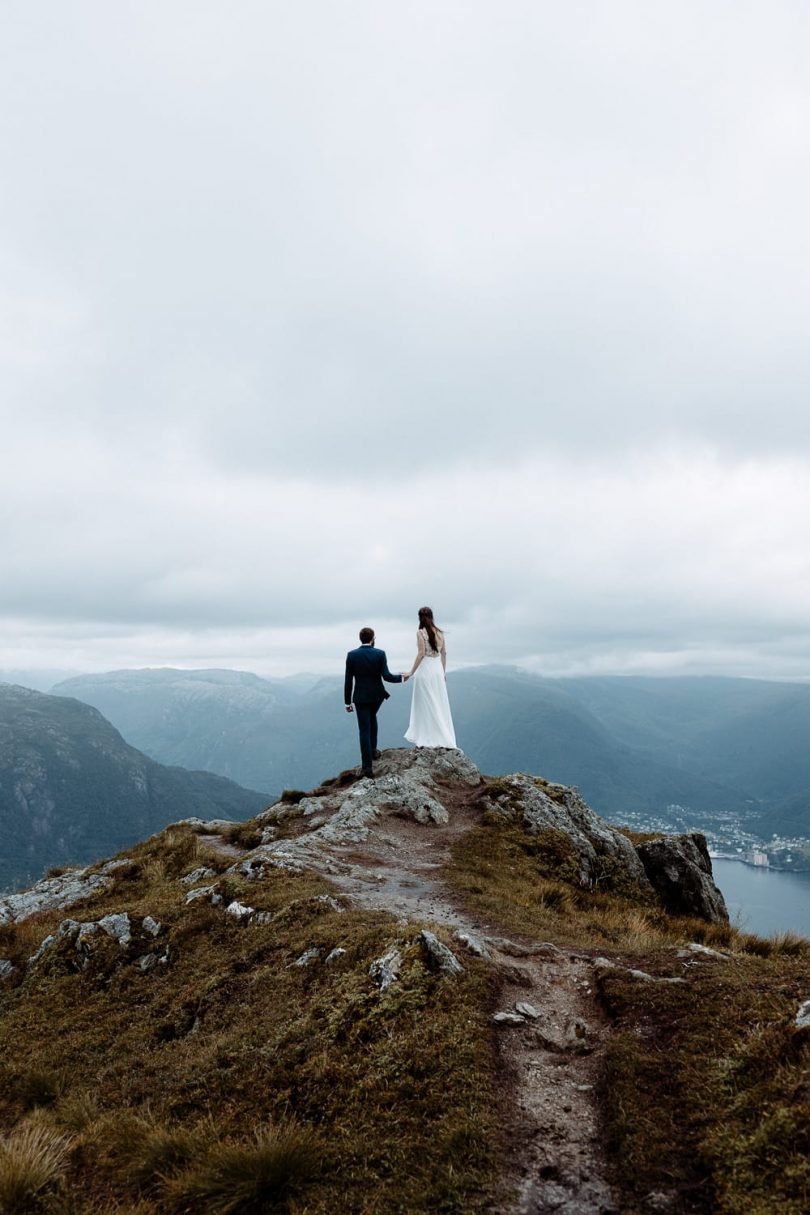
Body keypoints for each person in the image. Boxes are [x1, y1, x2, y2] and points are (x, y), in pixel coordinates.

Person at [344, 627, 409, 778]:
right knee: (372, 718)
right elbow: (386, 676)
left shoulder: (352, 655)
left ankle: (367, 767)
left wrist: (347, 702)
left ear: (360, 639)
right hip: (376, 696)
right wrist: (401, 678)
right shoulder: (380, 654)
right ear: (373, 638)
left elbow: (348, 681)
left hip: (360, 697)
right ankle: (373, 751)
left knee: (364, 729)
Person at [404, 606, 457, 748]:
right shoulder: (440, 632)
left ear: (419, 617)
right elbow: (444, 653)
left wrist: (411, 672)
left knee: (425, 703)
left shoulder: (420, 633)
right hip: (437, 670)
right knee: (439, 701)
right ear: (432, 616)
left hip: (425, 669)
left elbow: (421, 653)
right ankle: (442, 735)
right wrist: (443, 672)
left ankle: (428, 736)